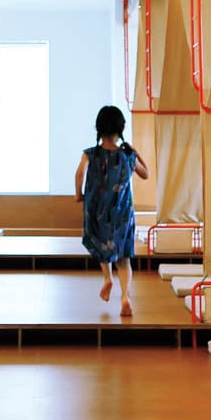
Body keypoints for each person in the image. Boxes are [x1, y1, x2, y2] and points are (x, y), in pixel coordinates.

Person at [74, 105, 149, 317]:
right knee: (123, 258)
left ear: (98, 128)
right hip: (122, 215)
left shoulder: (90, 154)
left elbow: (79, 173)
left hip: (97, 211)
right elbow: (147, 174)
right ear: (121, 128)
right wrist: (137, 153)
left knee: (100, 244)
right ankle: (125, 296)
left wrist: (78, 194)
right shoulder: (127, 156)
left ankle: (107, 278)